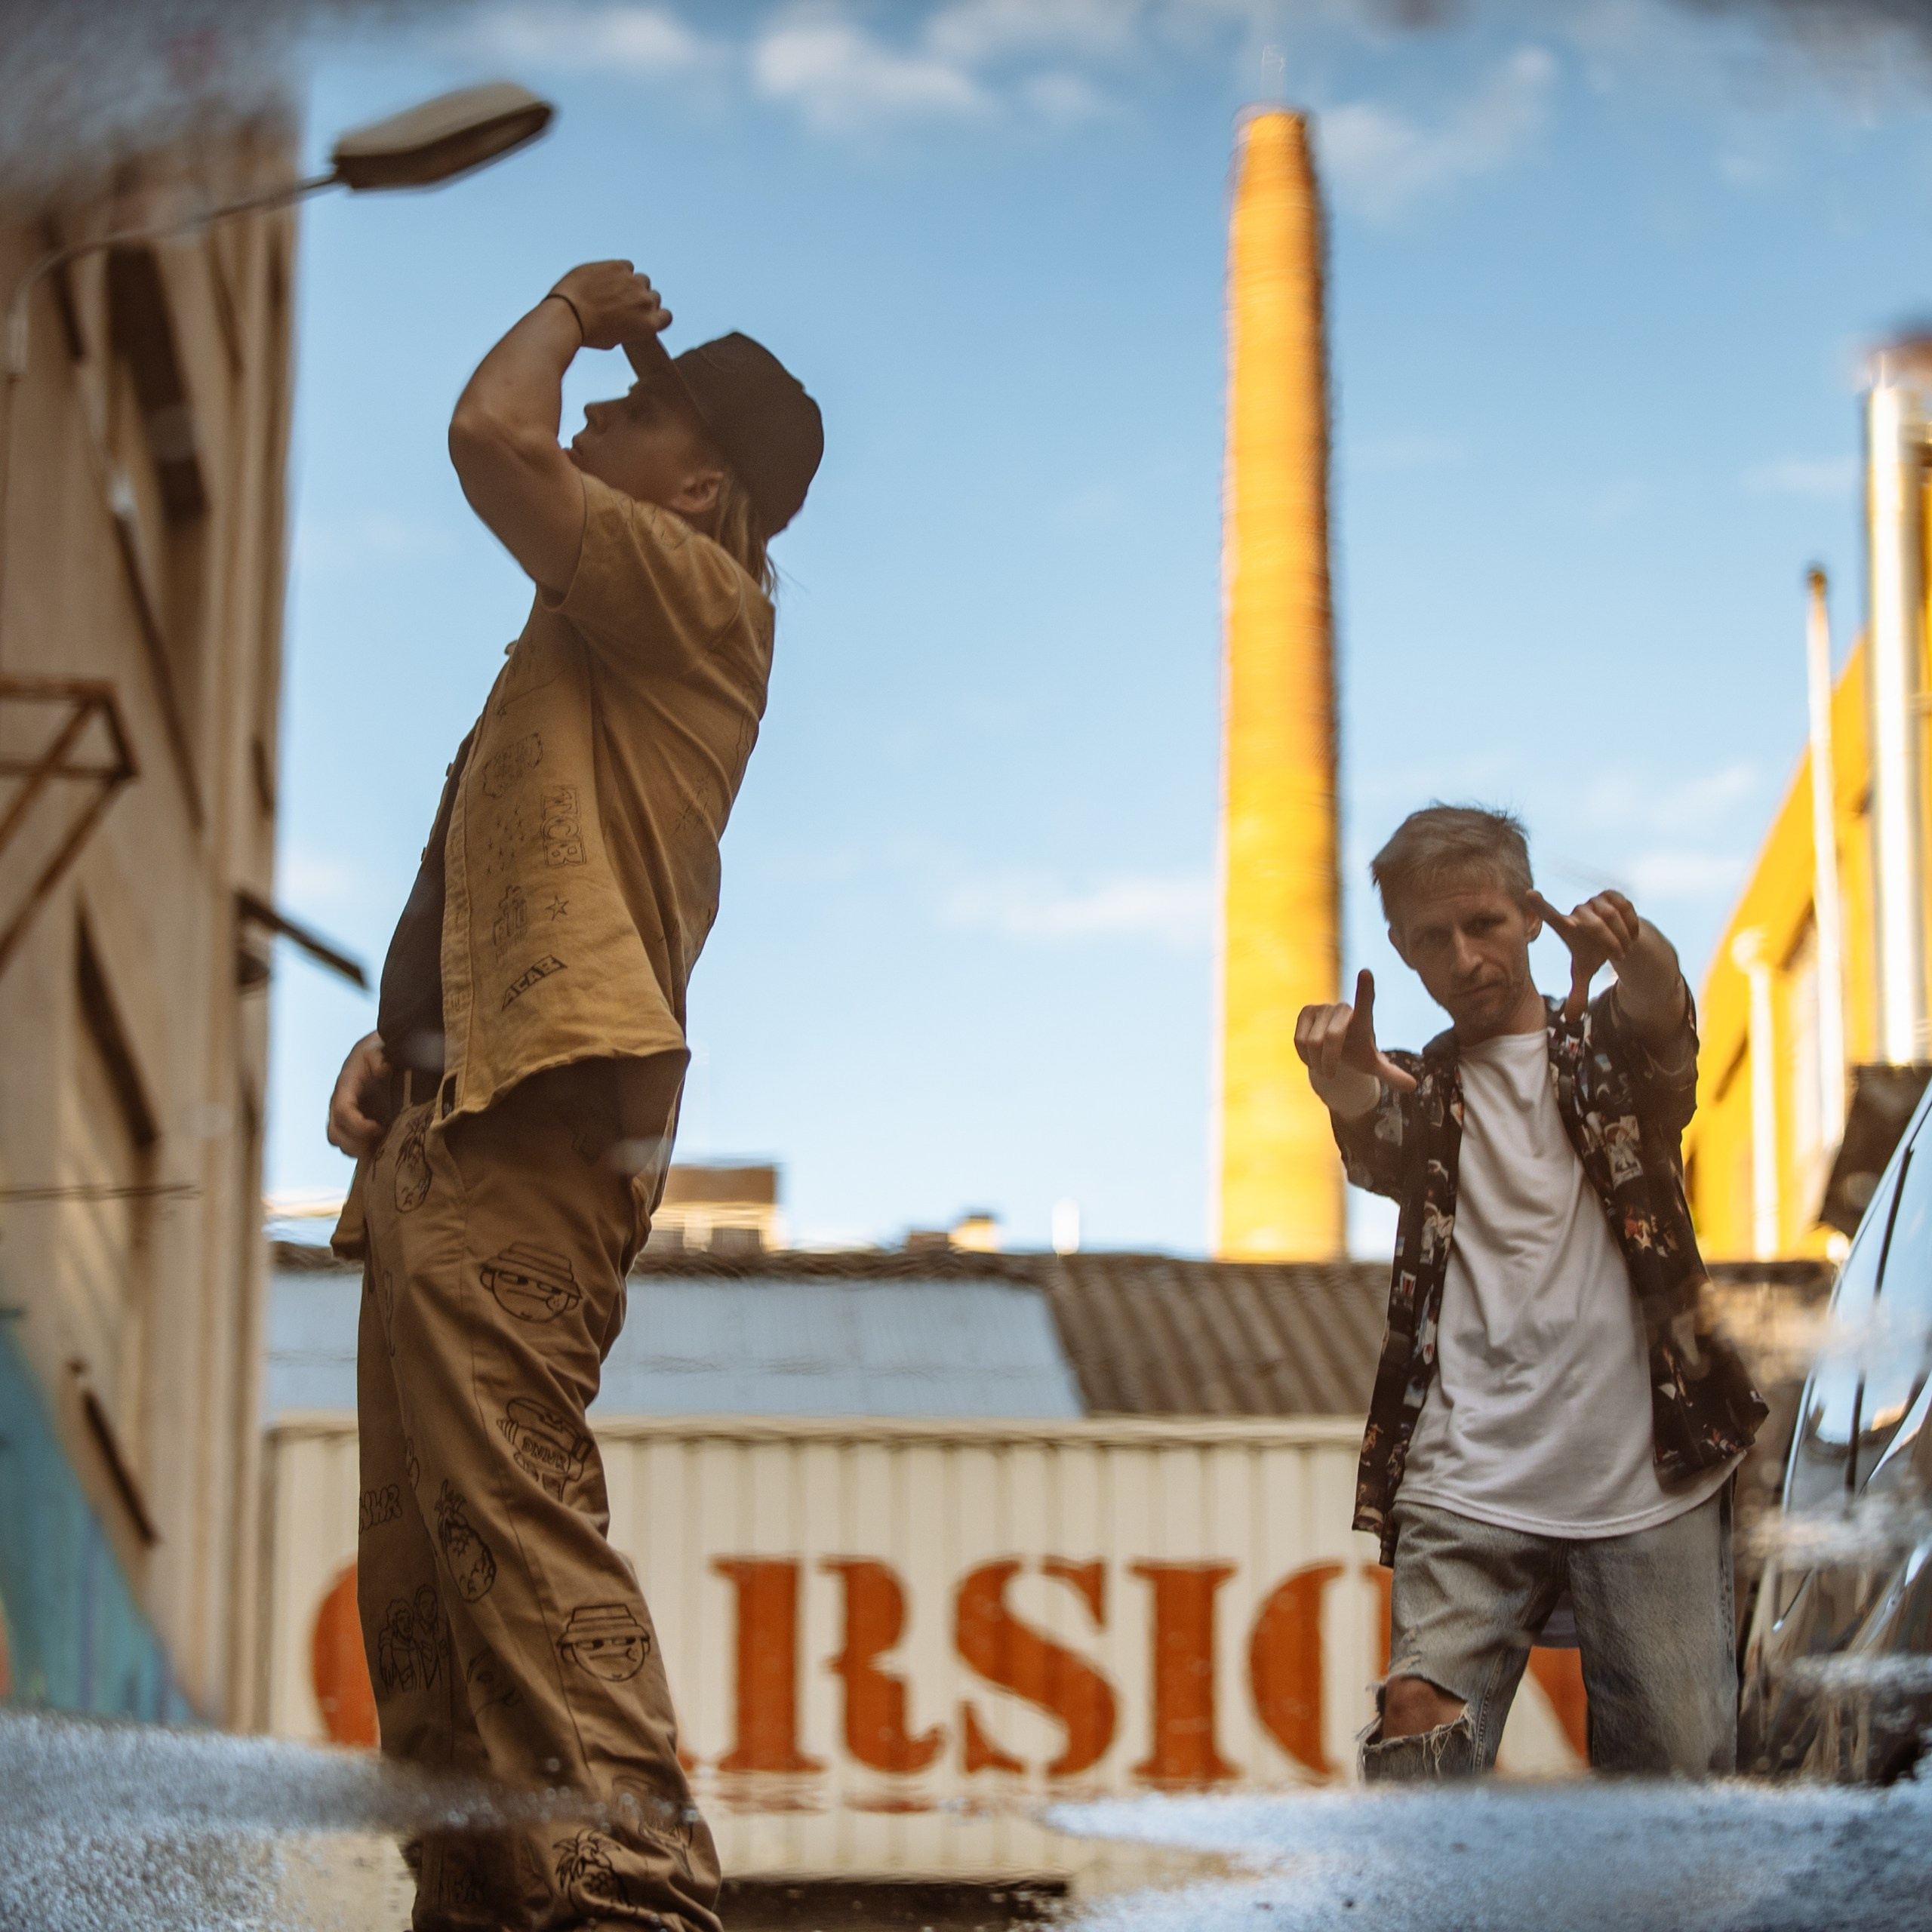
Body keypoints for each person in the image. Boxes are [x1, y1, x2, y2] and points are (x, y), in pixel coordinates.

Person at [325, 260, 822, 1930]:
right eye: (607, 385)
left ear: (699, 488)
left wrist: (564, 311)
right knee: (431, 1582)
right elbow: (505, 852)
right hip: (454, 1117)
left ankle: (631, 1890)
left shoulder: (694, 586)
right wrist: (403, 1031)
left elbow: (488, 432)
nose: (601, 404)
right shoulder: (587, 634)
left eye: (642, 404)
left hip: (530, 1133)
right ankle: (477, 1899)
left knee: (515, 1522)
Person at [1294, 804, 1765, 1780]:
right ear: (1402, 950)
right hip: (1465, 1477)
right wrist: (1339, 1080)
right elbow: (1373, 1133)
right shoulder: (1425, 1091)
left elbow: (1660, 1008)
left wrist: (1633, 943)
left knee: (1677, 1779)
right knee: (1418, 1732)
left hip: (1649, 1473)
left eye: (1486, 926)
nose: (1464, 959)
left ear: (1530, 916)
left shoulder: (1603, 1055)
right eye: (1434, 939)